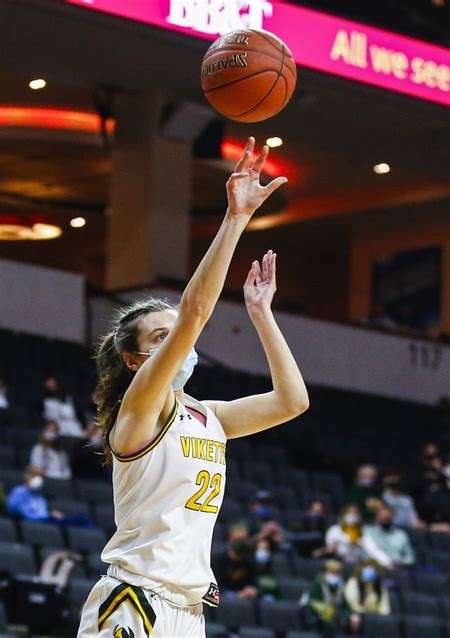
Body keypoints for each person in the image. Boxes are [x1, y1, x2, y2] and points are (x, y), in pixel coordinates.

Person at [78, 138, 309, 637]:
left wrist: (261, 314)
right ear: (136, 360)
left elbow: (292, 401)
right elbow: (196, 313)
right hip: (136, 600)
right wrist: (235, 219)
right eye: (162, 338)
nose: (178, 342)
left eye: (174, 334)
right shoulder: (138, 409)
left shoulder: (210, 415)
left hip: (189, 610)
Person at [325, 505, 392, 567]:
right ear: (344, 515)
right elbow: (329, 549)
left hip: (356, 565)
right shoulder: (335, 530)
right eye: (350, 513)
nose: (353, 516)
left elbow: (373, 550)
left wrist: (387, 562)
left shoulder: (363, 533)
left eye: (356, 514)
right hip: (337, 564)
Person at [305, 559, 353, 637]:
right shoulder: (317, 583)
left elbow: (345, 606)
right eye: (332, 572)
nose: (335, 576)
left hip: (335, 618)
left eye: (337, 573)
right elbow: (313, 601)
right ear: (326, 572)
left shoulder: (340, 585)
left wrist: (347, 616)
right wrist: (329, 612)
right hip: (317, 616)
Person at [212, 525, 258, 599]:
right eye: (238, 539)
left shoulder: (249, 560)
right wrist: (237, 594)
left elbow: (254, 583)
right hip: (224, 595)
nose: (241, 542)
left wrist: (252, 589)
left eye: (244, 539)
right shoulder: (218, 558)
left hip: (244, 595)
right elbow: (215, 586)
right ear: (230, 540)